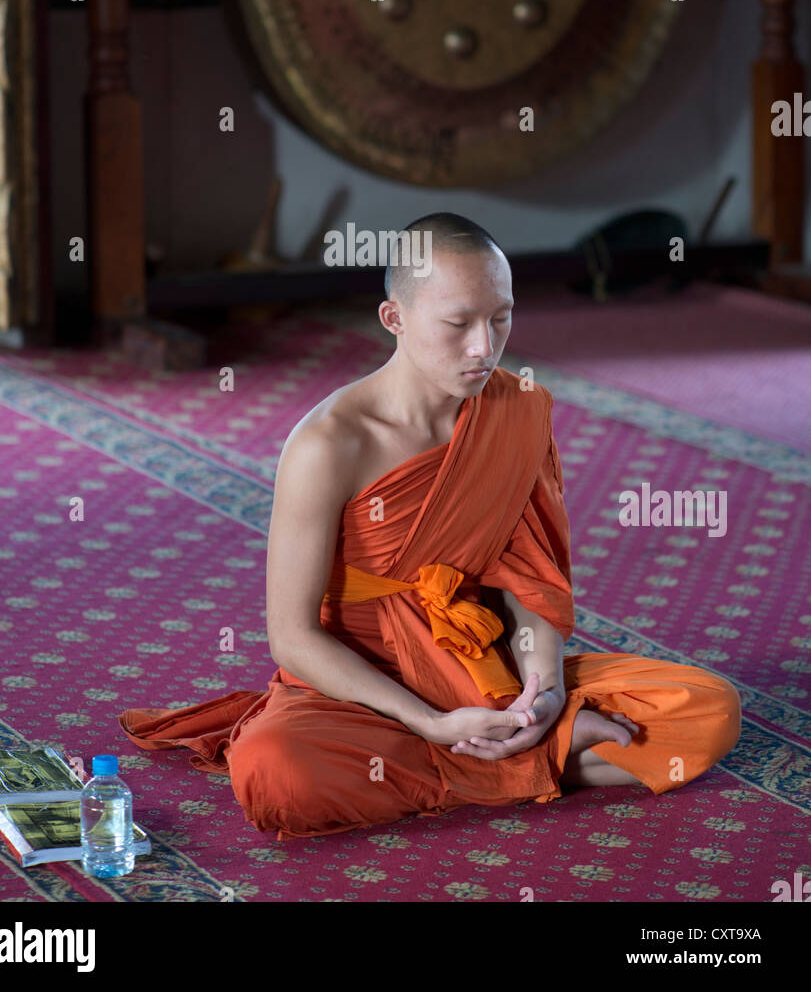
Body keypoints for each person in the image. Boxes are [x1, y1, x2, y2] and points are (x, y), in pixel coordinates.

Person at [119, 213, 741, 841]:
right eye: (457, 323)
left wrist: (545, 691)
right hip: (359, 691)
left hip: (481, 666)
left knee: (710, 712)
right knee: (274, 772)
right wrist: (428, 722)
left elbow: (530, 581)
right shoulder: (329, 443)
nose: (484, 346)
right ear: (395, 319)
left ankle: (512, 743)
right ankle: (531, 755)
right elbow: (294, 638)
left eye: (500, 319)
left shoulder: (516, 412)